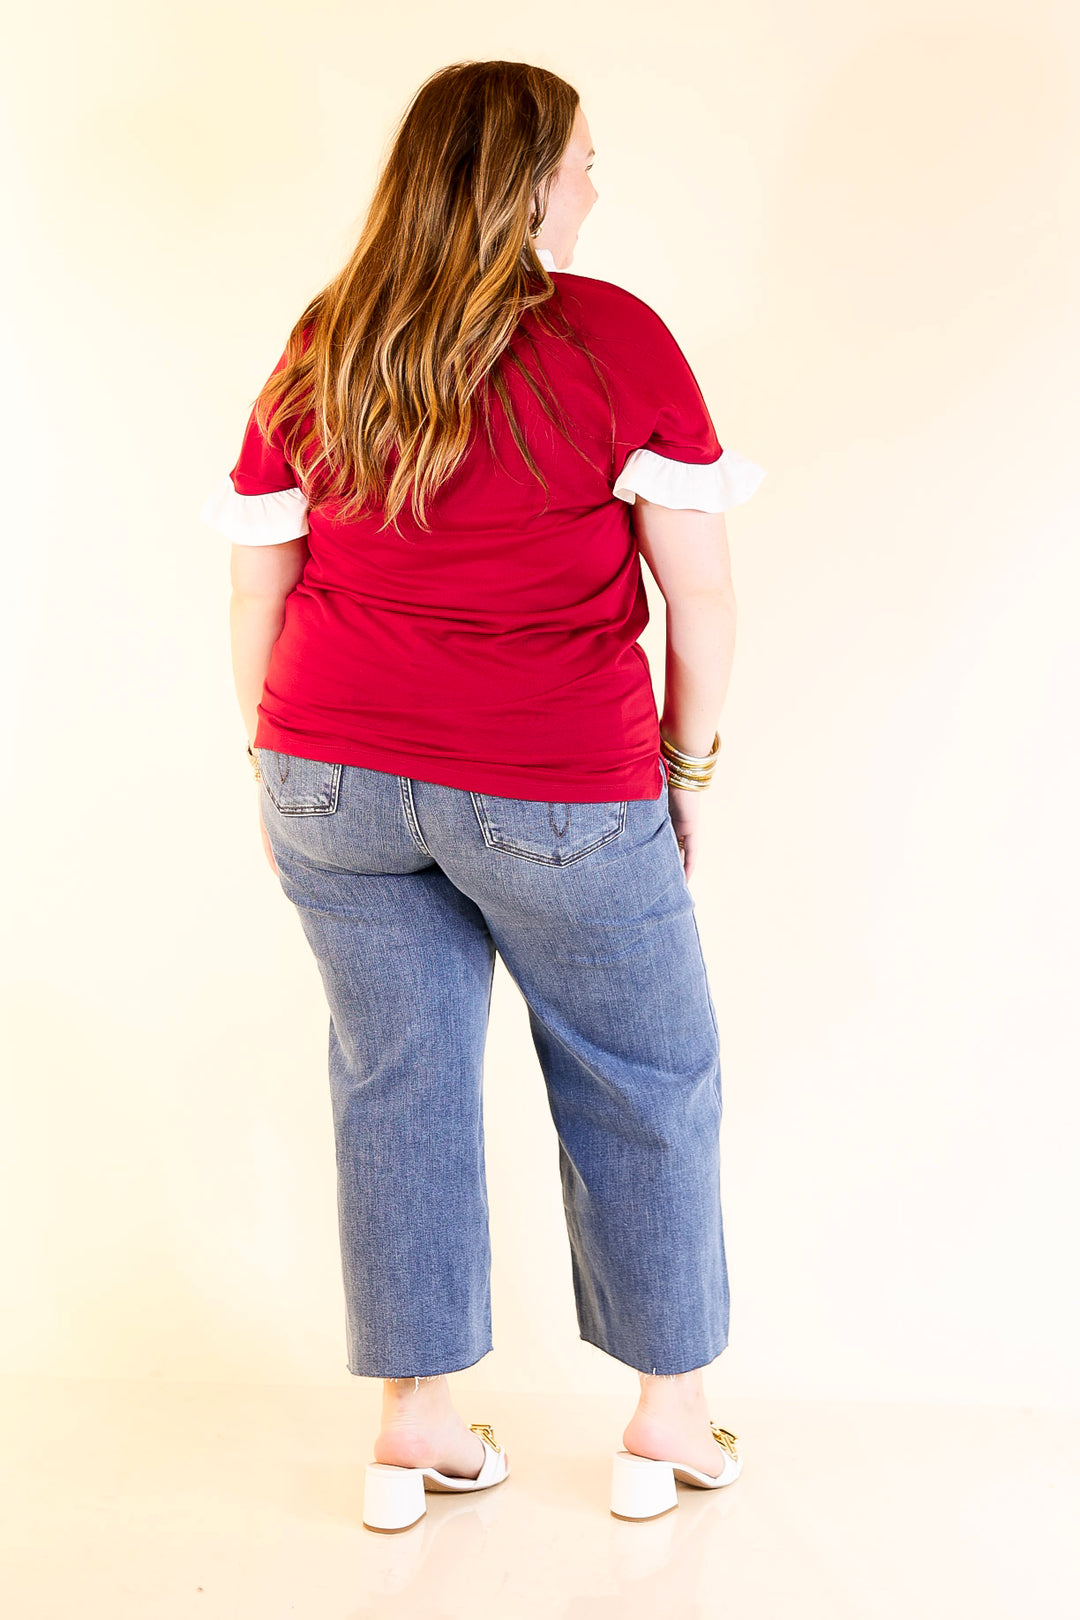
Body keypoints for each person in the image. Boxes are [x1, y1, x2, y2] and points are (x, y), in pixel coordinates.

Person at [200, 59, 766, 1530]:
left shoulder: (329, 341)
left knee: (399, 1084)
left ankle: (418, 1433)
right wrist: (688, 768)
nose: (596, 183)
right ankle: (667, 1422)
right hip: (556, 786)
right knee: (644, 1075)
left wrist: (274, 756)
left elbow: (261, 572)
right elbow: (697, 596)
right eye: (582, 159)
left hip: (330, 779)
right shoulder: (610, 338)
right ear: (523, 181)